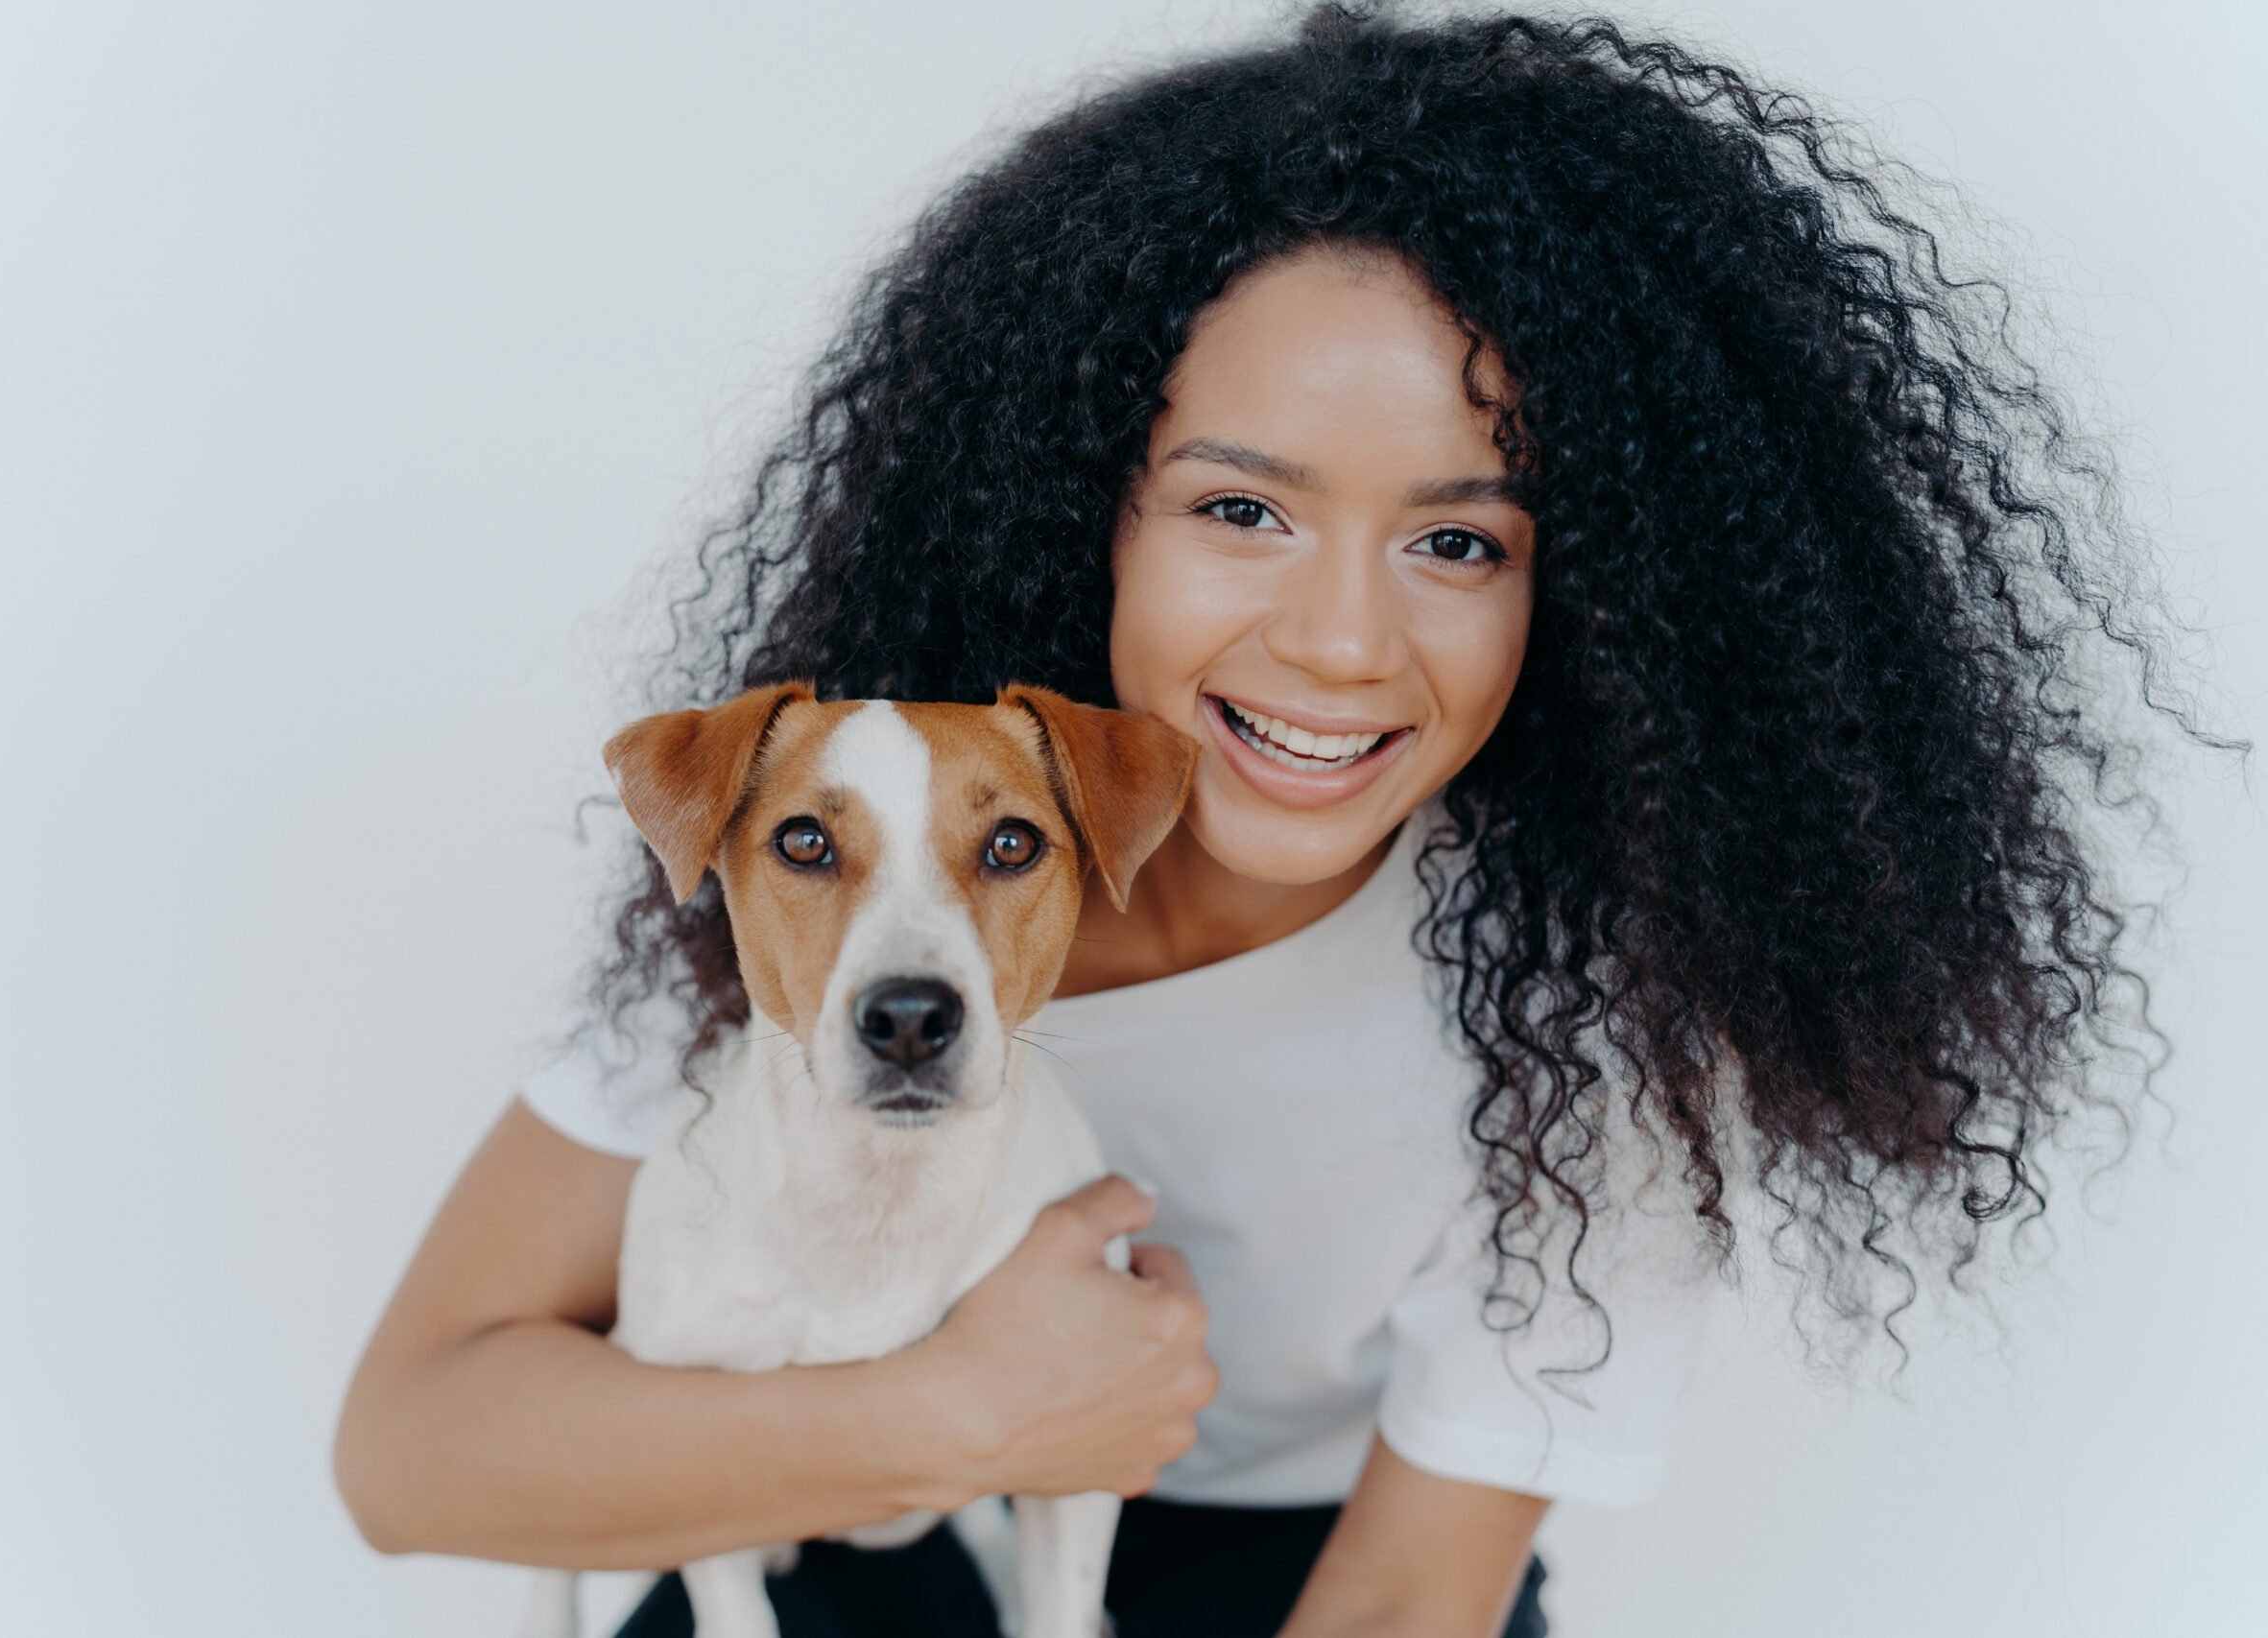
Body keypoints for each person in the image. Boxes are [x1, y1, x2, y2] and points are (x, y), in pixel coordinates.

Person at [334, 7, 2221, 1634]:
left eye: (1456, 538)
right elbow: (413, 1451)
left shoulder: (1582, 1015)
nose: (1335, 639)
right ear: (1085, 497)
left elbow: (1407, 1593)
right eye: (1239, 509)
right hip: (817, 1505)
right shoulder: (816, 852)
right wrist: (961, 1413)